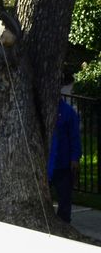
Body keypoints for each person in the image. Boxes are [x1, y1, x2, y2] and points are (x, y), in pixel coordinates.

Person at [49, 83, 81, 223]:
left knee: (64, 196)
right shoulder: (46, 110)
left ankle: (64, 222)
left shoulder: (68, 112)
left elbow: (75, 137)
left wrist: (74, 158)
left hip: (63, 162)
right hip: (47, 162)